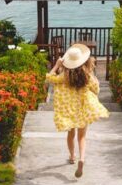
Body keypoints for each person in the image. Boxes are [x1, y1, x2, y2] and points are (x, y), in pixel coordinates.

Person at [46, 43, 109, 178]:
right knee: (82, 137)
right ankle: (82, 158)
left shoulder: (64, 76)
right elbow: (96, 89)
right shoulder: (87, 75)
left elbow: (49, 78)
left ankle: (72, 156)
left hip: (69, 111)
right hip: (83, 110)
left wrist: (57, 65)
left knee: (71, 135)